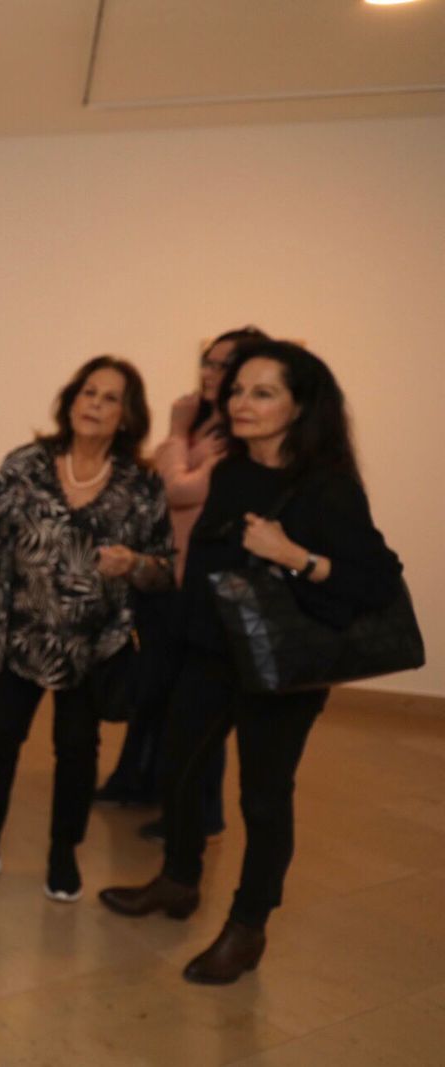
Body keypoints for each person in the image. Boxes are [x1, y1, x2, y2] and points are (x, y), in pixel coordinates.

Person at [99, 339, 402, 983]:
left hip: (283, 669)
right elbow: (208, 564)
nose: (241, 402)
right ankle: (178, 882)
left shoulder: (327, 488)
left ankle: (248, 928)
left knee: (263, 799)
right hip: (210, 654)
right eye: (237, 389)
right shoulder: (233, 472)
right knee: (179, 772)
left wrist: (295, 554)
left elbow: (377, 580)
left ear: (301, 406)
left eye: (262, 392)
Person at [0, 356, 175, 902]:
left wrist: (134, 563)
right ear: (71, 400)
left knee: (76, 750)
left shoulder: (142, 485)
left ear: (127, 414)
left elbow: (165, 566)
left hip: (94, 642)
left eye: (110, 397)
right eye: (87, 392)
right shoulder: (25, 465)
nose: (94, 404)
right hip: (21, 630)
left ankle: (63, 854)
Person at [98, 327, 269, 827]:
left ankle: (199, 816)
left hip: (201, 583)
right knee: (155, 689)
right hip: (164, 572)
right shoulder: (207, 426)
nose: (211, 374)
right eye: (208, 363)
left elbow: (176, 487)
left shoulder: (239, 436)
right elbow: (166, 483)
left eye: (224, 366)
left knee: (197, 705)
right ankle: (138, 783)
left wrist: (174, 432)